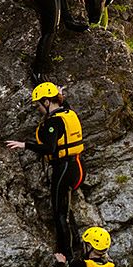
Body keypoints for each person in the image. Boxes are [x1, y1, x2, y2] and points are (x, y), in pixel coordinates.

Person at [6, 82, 86, 257]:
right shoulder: (68, 112)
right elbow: (64, 104)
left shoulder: (53, 122)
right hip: (77, 166)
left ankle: (67, 255)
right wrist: (60, 95)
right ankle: (78, 248)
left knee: (59, 212)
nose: (38, 109)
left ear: (47, 102)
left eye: (39, 105)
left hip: (63, 169)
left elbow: (49, 149)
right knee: (67, 210)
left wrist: (24, 145)